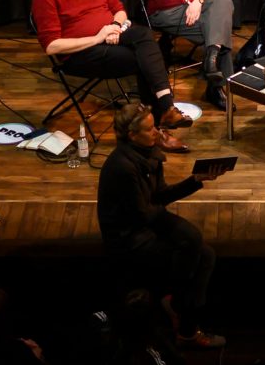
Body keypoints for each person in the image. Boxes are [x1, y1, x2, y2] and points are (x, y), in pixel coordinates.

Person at [32, 0, 192, 153]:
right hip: (81, 53)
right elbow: (52, 46)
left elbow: (118, 9)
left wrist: (116, 27)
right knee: (143, 60)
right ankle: (157, 130)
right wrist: (97, 37)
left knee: (144, 36)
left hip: (110, 35)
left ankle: (166, 109)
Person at [97, 102, 227, 349]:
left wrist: (195, 180)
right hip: (129, 239)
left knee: (204, 252)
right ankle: (185, 324)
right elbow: (142, 214)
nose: (157, 132)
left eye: (155, 126)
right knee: (193, 246)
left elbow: (160, 195)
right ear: (131, 135)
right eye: (149, 129)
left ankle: (177, 304)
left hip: (144, 224)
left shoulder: (147, 154)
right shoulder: (123, 167)